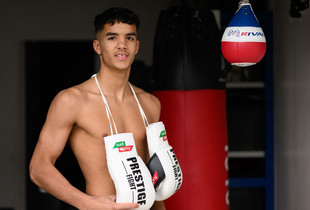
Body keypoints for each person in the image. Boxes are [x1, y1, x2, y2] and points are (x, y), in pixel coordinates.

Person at [29, 7, 166, 210]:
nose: (122, 45)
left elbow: (151, 177)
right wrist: (86, 203)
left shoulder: (150, 104)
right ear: (97, 46)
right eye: (112, 38)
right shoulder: (72, 100)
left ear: (136, 46)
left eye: (129, 38)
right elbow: (38, 168)